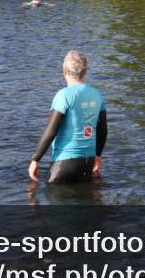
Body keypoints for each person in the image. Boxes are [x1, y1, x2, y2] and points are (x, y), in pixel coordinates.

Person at [29, 51, 107, 184]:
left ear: (64, 70)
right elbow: (103, 130)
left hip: (65, 162)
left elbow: (51, 130)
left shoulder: (64, 95)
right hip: (88, 162)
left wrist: (35, 160)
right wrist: (98, 155)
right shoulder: (97, 95)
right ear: (85, 71)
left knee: (42, 194)